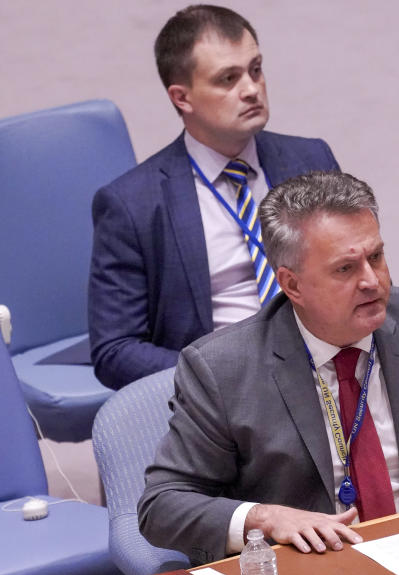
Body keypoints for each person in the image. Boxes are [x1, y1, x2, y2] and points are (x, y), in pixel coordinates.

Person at [138, 171, 399, 565]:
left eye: (375, 257)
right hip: (314, 570)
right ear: (292, 286)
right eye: (345, 269)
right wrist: (265, 518)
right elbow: (163, 505)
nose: (372, 281)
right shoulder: (223, 369)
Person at [89, 5, 340, 390]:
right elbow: (115, 350)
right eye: (228, 79)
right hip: (230, 396)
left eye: (255, 69)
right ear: (182, 98)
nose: (252, 89)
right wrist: (217, 378)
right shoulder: (133, 204)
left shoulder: (310, 159)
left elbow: (354, 271)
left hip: (329, 368)